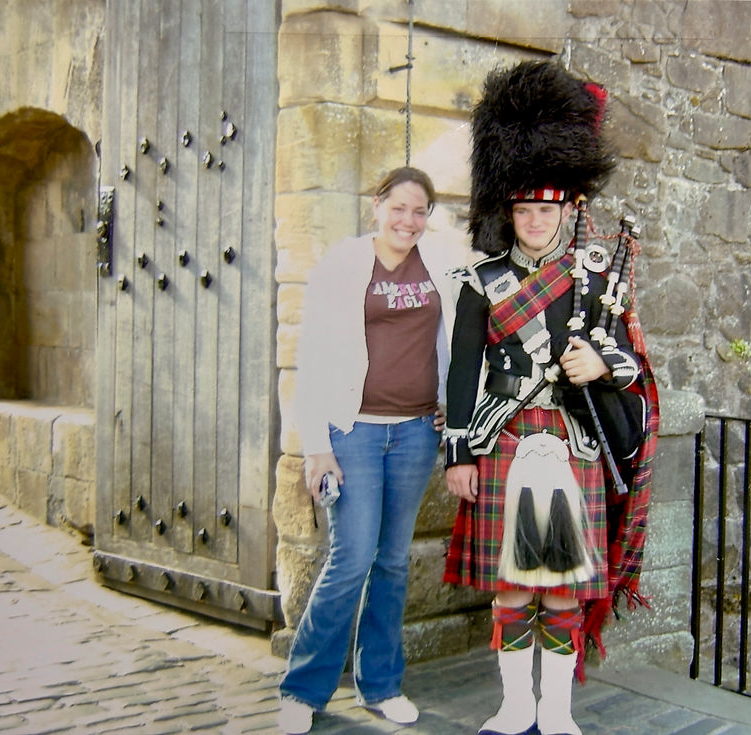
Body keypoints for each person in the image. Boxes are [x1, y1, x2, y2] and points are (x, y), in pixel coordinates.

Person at [443, 61, 659, 735]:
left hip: (575, 442)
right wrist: (458, 452)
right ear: (509, 210)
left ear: (567, 209)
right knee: (511, 586)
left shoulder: (597, 276)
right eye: (525, 209)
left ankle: (557, 710)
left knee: (562, 588)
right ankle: (513, 706)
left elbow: (635, 362)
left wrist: (601, 361)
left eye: (548, 208)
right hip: (504, 437)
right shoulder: (483, 281)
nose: (536, 220)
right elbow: (460, 371)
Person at [279, 167, 460, 734]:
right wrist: (316, 448)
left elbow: (460, 338)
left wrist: (451, 400)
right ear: (376, 206)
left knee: (392, 562)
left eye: (419, 210)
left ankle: (380, 685)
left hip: (414, 433)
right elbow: (311, 359)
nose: (408, 220)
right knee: (350, 559)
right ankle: (304, 689)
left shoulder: (441, 265)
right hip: (351, 433)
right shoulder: (343, 264)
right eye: (398, 207)